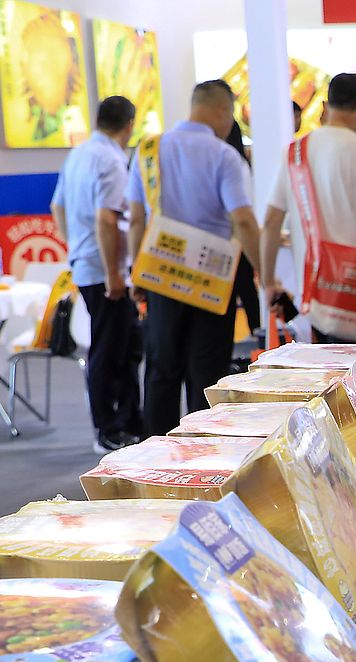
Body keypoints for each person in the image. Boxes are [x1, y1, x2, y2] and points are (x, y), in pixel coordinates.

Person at [126, 79, 262, 435]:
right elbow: (243, 219)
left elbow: (137, 217)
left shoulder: (149, 150)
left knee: (161, 369)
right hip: (211, 279)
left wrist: (136, 273)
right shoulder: (224, 156)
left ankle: (154, 458)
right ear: (223, 110)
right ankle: (204, 454)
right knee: (207, 372)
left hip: (161, 274)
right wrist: (265, 272)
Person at [261, 72, 356, 346]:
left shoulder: (295, 152)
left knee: (324, 376)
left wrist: (268, 282)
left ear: (325, 106)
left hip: (315, 296)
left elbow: (271, 223)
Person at [51, 94, 143, 453]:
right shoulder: (111, 160)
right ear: (129, 125)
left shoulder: (79, 154)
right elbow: (108, 219)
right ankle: (109, 428)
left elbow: (56, 206)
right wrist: (114, 275)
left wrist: (74, 245)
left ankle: (128, 421)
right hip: (106, 270)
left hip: (88, 263)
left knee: (124, 346)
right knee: (110, 350)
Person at [223, 118, 262, 339]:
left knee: (232, 294)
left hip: (226, 241)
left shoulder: (229, 162)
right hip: (241, 241)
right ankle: (256, 331)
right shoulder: (241, 163)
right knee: (247, 290)